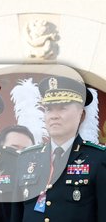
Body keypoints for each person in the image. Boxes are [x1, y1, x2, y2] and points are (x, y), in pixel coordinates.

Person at [13, 76, 105, 222]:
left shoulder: (98, 159)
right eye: (49, 109)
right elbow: (16, 215)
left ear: (81, 115)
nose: (54, 116)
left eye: (62, 108)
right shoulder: (26, 158)